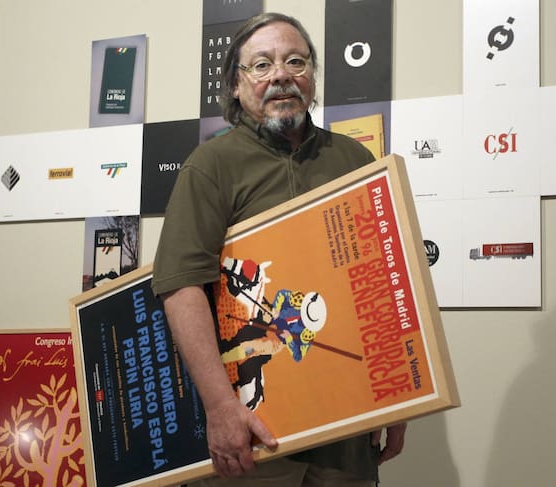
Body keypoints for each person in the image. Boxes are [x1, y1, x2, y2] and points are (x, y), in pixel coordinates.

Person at [152, 12, 407, 486]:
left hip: (348, 432)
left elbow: (380, 279)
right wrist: (220, 407)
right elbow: (181, 288)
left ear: (312, 76)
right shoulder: (210, 166)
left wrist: (399, 393)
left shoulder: (355, 160)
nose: (281, 76)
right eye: (261, 65)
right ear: (235, 85)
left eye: (295, 61)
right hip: (254, 436)